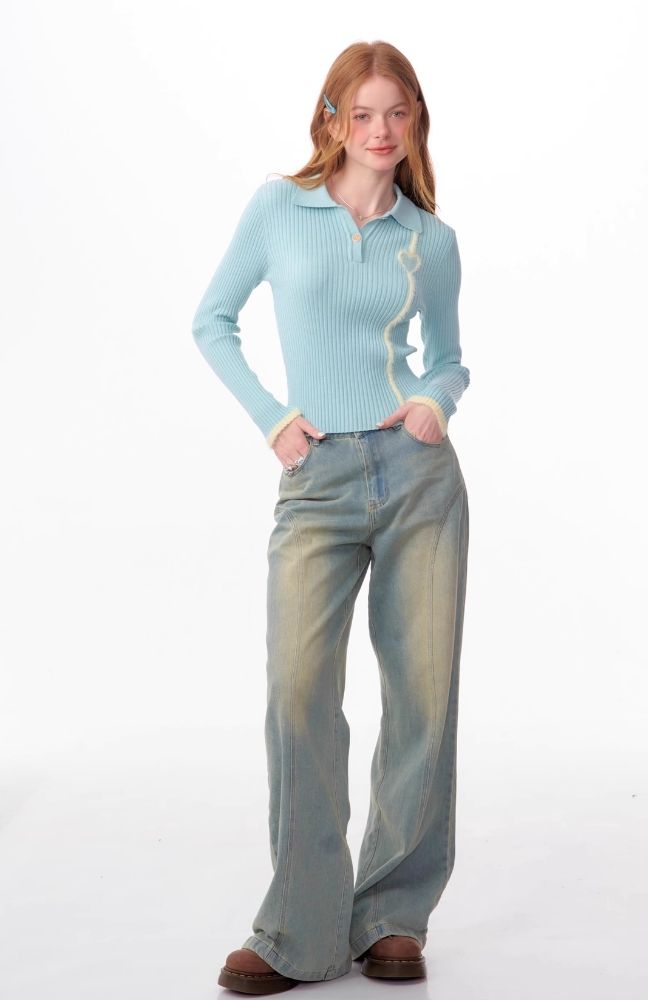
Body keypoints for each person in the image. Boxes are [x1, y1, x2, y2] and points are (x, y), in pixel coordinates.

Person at [192, 40, 470, 994]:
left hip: (419, 480)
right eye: (363, 113)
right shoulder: (281, 208)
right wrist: (273, 419)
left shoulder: (430, 241)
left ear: (415, 120)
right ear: (332, 119)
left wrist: (435, 402)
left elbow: (450, 358)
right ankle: (301, 928)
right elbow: (212, 320)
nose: (381, 131)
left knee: (423, 700)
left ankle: (392, 917)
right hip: (315, 481)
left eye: (398, 113)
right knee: (299, 693)